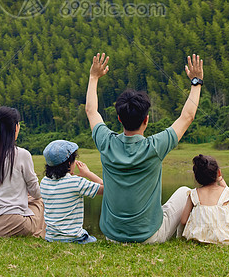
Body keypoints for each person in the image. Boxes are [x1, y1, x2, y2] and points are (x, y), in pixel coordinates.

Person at [85, 51, 204, 243]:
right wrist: (196, 81)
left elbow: (91, 111)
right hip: (150, 236)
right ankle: (183, 240)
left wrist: (93, 77)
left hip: (112, 237)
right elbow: (187, 117)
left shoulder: (106, 142)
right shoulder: (156, 146)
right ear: (146, 120)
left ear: (119, 118)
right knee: (184, 192)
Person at [0, 106, 45, 238]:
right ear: (16, 127)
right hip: (13, 224)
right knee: (40, 200)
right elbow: (36, 192)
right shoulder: (22, 154)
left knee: (29, 199)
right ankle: (38, 236)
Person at [40, 139, 104, 243]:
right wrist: (88, 173)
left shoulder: (44, 182)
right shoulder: (75, 182)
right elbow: (106, 190)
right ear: (69, 163)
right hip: (74, 238)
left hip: (51, 238)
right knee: (93, 239)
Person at [180, 154, 229, 245]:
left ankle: (201, 234)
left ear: (197, 177)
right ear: (219, 173)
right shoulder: (226, 193)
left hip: (198, 238)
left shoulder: (193, 194)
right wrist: (225, 186)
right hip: (226, 238)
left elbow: (183, 221)